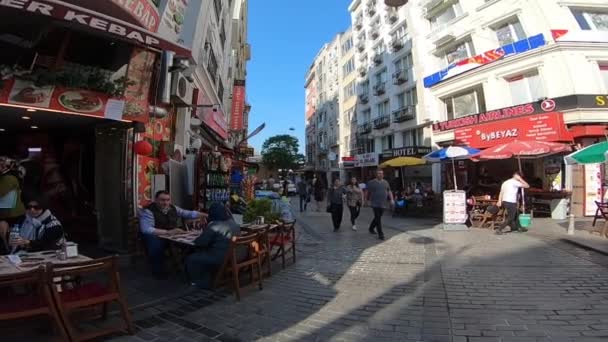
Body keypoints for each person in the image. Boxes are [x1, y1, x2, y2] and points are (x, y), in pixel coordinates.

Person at [139, 190, 207, 278]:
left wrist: (205, 215)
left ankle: (187, 268)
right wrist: (168, 232)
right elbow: (146, 229)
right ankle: (158, 271)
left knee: (192, 243)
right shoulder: (148, 211)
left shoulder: (173, 207)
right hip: (156, 235)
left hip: (172, 234)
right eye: (162, 200)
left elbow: (188, 213)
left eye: (168, 200)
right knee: (155, 244)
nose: (165, 203)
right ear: (155, 200)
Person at [185, 203, 241, 289]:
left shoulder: (214, 225)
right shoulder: (234, 223)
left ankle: (199, 282)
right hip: (237, 256)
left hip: (221, 258)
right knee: (203, 252)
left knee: (192, 258)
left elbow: (200, 243)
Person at [0, 157, 26, 253]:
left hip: (13, 216)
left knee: (12, 241)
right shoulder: (6, 177)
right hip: (8, 215)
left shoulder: (9, 178)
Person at [366, 170, 394, 240]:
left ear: (383, 174)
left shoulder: (385, 182)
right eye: (379, 173)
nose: (380, 174)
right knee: (378, 218)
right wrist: (366, 201)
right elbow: (367, 191)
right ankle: (381, 234)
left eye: (381, 173)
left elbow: (389, 191)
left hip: (383, 203)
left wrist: (392, 199)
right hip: (374, 203)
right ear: (376, 174)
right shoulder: (371, 182)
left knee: (378, 217)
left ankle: (371, 228)